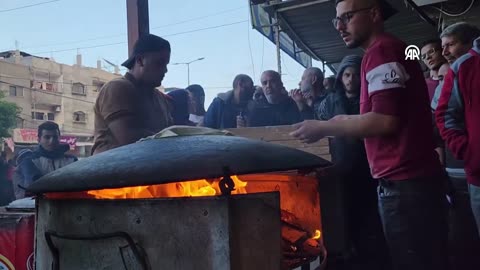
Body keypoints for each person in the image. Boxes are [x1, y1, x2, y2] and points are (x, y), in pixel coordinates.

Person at [291, 1, 448, 269]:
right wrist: (336, 120)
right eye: (336, 21)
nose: (340, 27)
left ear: (374, 13)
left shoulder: (382, 51)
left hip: (406, 185)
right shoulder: (384, 51)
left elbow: (384, 121)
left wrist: (324, 127)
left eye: (347, 17)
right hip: (412, 183)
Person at [319, 54, 390, 269]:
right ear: (340, 77)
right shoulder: (329, 102)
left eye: (355, 75)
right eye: (346, 75)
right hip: (340, 169)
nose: (350, 80)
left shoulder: (371, 100)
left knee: (371, 217)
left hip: (370, 168)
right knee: (344, 215)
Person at [92, 34, 173, 155]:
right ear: (140, 60)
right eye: (159, 63)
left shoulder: (160, 98)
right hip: (112, 171)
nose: (165, 70)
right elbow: (129, 139)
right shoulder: (117, 88)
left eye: (166, 64)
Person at [436, 37, 480, 236]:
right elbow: (445, 114)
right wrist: (469, 153)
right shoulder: (464, 67)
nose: (445, 51)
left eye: (450, 44)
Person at [19, 122, 77, 188]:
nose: (52, 141)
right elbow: (36, 185)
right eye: (47, 137)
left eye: (55, 137)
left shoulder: (72, 161)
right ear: (39, 139)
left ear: (59, 138)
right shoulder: (29, 161)